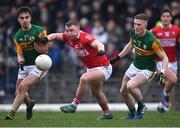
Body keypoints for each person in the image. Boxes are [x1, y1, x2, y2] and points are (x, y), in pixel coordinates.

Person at [36, 20, 113, 120]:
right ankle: (107, 113)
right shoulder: (68, 37)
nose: (69, 33)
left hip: (104, 67)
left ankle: (74, 105)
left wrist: (101, 50)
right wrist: (46, 39)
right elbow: (55, 35)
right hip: (91, 69)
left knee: (84, 78)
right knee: (96, 93)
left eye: (72, 30)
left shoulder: (86, 37)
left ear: (78, 29)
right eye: (67, 30)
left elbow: (99, 44)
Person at [110, 13, 169, 119]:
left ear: (146, 25)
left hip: (148, 69)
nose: (136, 27)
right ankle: (132, 114)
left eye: (139, 25)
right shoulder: (133, 32)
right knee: (123, 91)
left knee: (130, 86)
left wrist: (163, 73)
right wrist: (118, 57)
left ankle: (141, 106)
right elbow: (130, 45)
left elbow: (164, 57)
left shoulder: (152, 40)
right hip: (135, 65)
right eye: (135, 24)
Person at [5, 6, 49, 120]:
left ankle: (11, 114)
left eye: (27, 17)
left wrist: (35, 44)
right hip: (25, 66)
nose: (24, 20)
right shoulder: (17, 36)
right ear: (18, 19)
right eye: (22, 18)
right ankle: (29, 104)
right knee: (18, 92)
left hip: (39, 65)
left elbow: (45, 50)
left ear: (30, 18)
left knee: (23, 87)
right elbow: (19, 53)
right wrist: (20, 59)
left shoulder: (39, 31)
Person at [151, 9, 180, 113]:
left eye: (168, 16)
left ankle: (161, 105)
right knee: (172, 80)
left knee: (169, 84)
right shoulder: (155, 31)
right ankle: (164, 96)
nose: (166, 18)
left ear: (171, 18)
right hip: (161, 62)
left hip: (173, 62)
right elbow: (147, 41)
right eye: (164, 16)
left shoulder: (177, 30)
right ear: (161, 18)